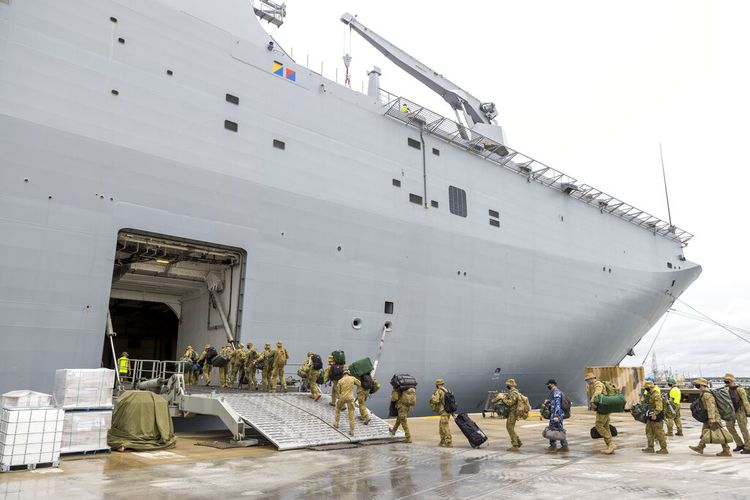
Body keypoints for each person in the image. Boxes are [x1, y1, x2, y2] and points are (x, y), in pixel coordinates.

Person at [690, 377, 732, 456]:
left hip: (714, 417)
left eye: (697, 385)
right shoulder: (704, 393)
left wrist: (712, 418)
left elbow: (711, 406)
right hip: (709, 417)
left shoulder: (707, 394)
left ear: (702, 385)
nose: (696, 386)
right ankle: (700, 447)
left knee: (720, 433)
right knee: (704, 431)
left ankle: (726, 450)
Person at [585, 371, 616, 454]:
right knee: (606, 426)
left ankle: (611, 444)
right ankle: (610, 445)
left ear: (592, 379)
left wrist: (592, 402)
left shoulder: (598, 384)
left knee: (598, 425)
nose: (587, 382)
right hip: (606, 407)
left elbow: (597, 393)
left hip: (603, 408)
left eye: (588, 380)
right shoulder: (597, 384)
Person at [492, 378, 522, 451]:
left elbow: (510, 402)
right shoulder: (511, 392)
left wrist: (503, 398)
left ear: (510, 385)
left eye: (507, 384)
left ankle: (515, 445)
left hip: (513, 413)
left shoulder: (514, 392)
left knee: (510, 427)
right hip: (511, 412)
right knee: (510, 427)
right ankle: (518, 442)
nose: (507, 385)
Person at [724, 373, 750, 454]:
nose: (726, 383)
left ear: (731, 380)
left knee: (743, 429)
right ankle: (739, 443)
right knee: (729, 427)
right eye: (725, 381)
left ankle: (748, 446)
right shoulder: (726, 389)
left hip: (740, 411)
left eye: (727, 381)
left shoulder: (739, 389)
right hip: (731, 411)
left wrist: (748, 411)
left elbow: (745, 401)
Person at [333, 367, 361, 436]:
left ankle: (336, 423)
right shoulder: (352, 378)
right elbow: (359, 384)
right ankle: (352, 430)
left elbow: (338, 391)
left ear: (343, 373)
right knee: (351, 413)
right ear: (348, 372)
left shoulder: (340, 381)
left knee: (337, 408)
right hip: (350, 398)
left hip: (342, 397)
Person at [642, 380, 668, 454]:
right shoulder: (649, 394)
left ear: (649, 387)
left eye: (646, 388)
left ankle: (664, 449)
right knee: (649, 431)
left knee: (659, 433)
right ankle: (650, 447)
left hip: (656, 416)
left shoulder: (656, 395)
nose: (646, 389)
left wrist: (654, 414)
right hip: (650, 416)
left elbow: (659, 407)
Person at [545, 379, 569, 452]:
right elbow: (554, 402)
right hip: (555, 413)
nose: (548, 386)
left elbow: (557, 404)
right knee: (552, 428)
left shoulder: (556, 392)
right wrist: (548, 401)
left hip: (557, 414)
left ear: (552, 384)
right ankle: (553, 445)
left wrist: (556, 416)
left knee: (559, 429)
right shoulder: (554, 392)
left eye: (548, 384)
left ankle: (564, 446)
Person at [430, 379, 453, 448]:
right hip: (447, 411)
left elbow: (435, 400)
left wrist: (432, 397)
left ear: (437, 384)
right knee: (441, 426)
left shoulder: (439, 391)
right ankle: (442, 441)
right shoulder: (447, 390)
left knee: (445, 427)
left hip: (443, 412)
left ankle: (449, 442)